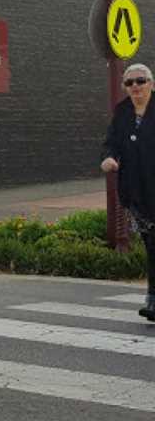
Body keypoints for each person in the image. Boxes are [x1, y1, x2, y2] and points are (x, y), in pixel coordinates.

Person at [101, 63, 155, 321]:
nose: (135, 86)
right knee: (150, 244)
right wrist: (109, 157)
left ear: (151, 84)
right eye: (129, 83)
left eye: (141, 81)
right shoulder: (122, 112)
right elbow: (111, 142)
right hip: (135, 191)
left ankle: (153, 300)